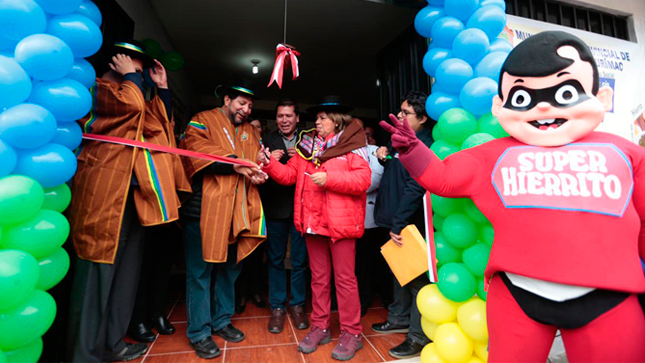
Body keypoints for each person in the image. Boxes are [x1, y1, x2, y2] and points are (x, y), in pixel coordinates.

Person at [382, 31, 645, 362]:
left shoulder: (626, 154)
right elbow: (444, 179)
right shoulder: (492, 154)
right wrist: (412, 149)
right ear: (499, 105)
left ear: (602, 97)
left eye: (565, 92)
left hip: (608, 298)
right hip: (518, 294)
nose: (545, 105)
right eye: (524, 97)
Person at [67, 40, 190, 362]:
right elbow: (130, 108)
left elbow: (160, 125)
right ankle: (85, 354)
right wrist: (130, 77)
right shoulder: (96, 88)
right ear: (118, 61)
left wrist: (162, 88)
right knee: (97, 278)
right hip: (105, 196)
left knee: (125, 276)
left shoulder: (137, 94)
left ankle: (113, 343)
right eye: (136, 66)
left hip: (136, 200)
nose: (141, 73)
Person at [259, 96, 371, 361]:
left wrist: (330, 178)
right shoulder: (306, 148)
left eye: (322, 118)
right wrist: (268, 162)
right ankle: (320, 327)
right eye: (317, 118)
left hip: (341, 225)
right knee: (318, 279)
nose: (316, 122)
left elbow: (363, 179)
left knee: (345, 280)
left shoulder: (352, 147)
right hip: (313, 223)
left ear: (337, 121)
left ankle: (352, 333)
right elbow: (288, 177)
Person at [180, 83, 267, 359]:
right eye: (241, 103)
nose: (246, 109)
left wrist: (258, 168)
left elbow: (252, 163)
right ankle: (199, 332)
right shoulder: (203, 119)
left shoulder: (251, 131)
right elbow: (195, 150)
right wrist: (234, 163)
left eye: (250, 106)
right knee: (201, 272)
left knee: (231, 269)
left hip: (237, 211)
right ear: (227, 99)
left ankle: (221, 321)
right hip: (203, 209)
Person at [371, 91, 433, 359]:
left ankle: (418, 337)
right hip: (395, 221)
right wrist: (386, 158)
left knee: (417, 280)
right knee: (400, 273)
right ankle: (398, 317)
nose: (399, 116)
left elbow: (414, 187)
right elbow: (398, 175)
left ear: (422, 117)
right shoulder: (401, 142)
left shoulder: (424, 145)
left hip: (410, 224)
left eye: (405, 113)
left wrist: (398, 223)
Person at [260, 98, 309, 334]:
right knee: (275, 259)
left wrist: (301, 157)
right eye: (280, 116)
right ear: (276, 119)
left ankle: (298, 305)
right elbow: (259, 172)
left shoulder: (309, 140)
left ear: (297, 118)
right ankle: (277, 307)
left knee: (300, 260)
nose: (285, 120)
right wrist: (272, 161)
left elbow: (316, 168)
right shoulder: (266, 141)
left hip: (303, 207)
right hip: (275, 207)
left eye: (289, 115)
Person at [354, 120, 389, 317]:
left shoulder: (375, 150)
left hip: (369, 218)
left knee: (367, 262)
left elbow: (371, 181)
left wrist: (344, 185)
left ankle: (365, 301)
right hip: (346, 218)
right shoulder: (342, 151)